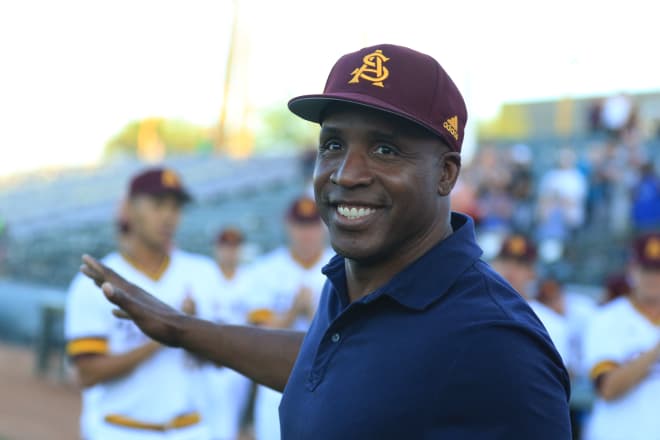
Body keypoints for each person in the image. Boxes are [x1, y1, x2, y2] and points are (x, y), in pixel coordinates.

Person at [80, 44, 571, 439]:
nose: (346, 173)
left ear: (445, 174)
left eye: (384, 149)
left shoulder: (497, 341)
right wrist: (183, 329)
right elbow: (333, 366)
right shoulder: (355, 279)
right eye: (333, 144)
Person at [65, 167, 222, 440]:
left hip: (190, 429)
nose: (168, 216)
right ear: (129, 209)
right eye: (158, 204)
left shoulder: (203, 273)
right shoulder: (98, 279)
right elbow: (86, 374)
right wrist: (164, 333)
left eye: (175, 207)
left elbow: (222, 361)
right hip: (120, 429)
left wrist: (195, 332)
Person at [245, 196, 333, 440]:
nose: (307, 233)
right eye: (300, 225)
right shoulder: (265, 269)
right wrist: (294, 311)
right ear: (288, 226)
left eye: (312, 225)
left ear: (323, 226)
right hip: (276, 380)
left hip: (330, 382)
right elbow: (260, 333)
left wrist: (314, 312)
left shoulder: (344, 265)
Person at [583, 232, 660, 440]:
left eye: (658, 270)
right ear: (632, 270)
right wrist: (654, 353)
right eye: (646, 269)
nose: (652, 278)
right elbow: (608, 389)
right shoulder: (607, 319)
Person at [201, 227, 254, 440]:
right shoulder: (204, 277)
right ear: (216, 248)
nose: (229, 252)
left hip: (241, 361)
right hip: (210, 363)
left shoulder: (251, 278)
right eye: (225, 246)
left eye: (234, 246)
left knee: (237, 424)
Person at [491, 234, 570, 365]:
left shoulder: (551, 323)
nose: (511, 269)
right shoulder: (474, 309)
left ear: (533, 272)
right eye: (505, 260)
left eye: (520, 264)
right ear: (493, 264)